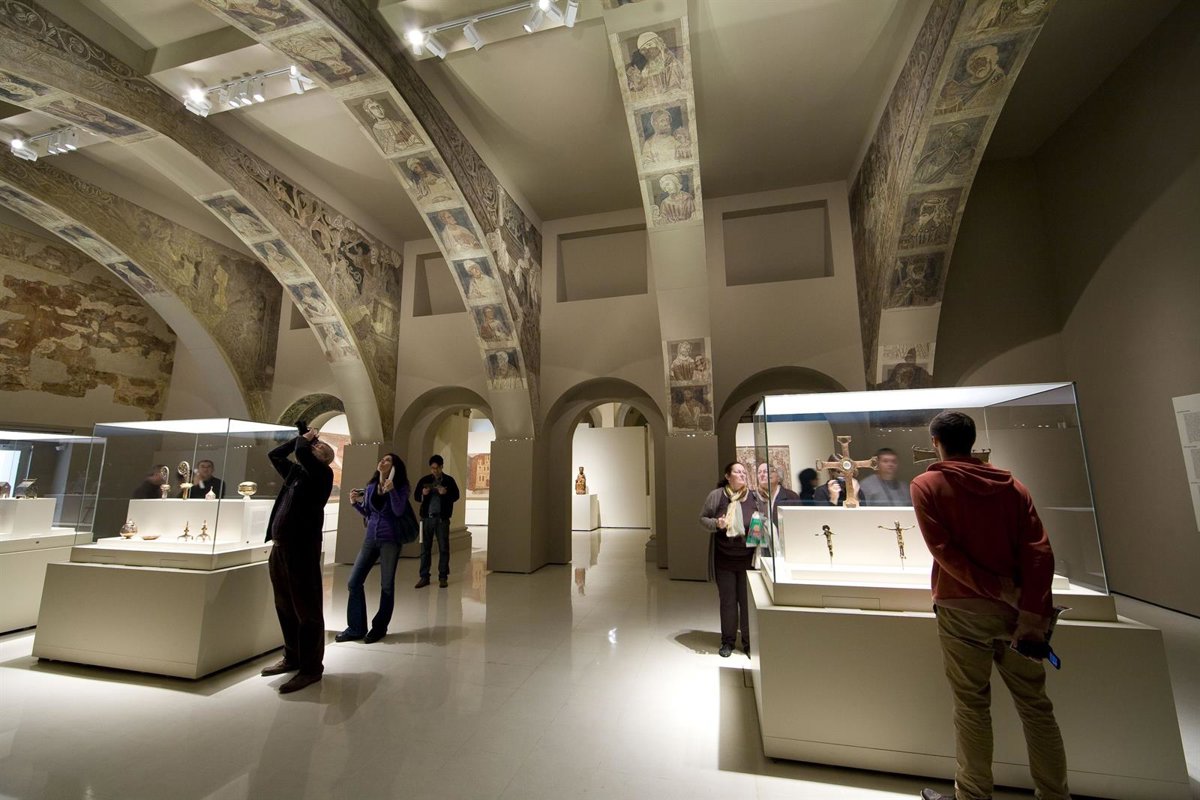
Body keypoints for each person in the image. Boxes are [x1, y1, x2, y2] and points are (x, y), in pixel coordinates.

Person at [911, 411, 1068, 800]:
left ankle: (972, 795)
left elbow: (944, 552)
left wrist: (993, 589)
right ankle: (1054, 795)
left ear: (935, 443)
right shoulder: (1013, 487)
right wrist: (1030, 606)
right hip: (1018, 614)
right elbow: (1039, 551)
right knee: (1035, 706)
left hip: (961, 610)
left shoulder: (926, 485)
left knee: (971, 706)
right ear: (972, 441)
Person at [260, 427, 335, 694]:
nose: (315, 447)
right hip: (280, 548)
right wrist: (298, 440)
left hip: (302, 550)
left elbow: (303, 454)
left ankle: (311, 668)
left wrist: (305, 440)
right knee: (285, 605)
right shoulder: (297, 474)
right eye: (315, 445)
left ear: (326, 459)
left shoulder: (322, 474)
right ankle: (292, 656)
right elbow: (275, 455)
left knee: (307, 609)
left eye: (320, 448)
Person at [337, 453, 413, 644]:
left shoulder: (401, 487)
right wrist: (354, 503)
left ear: (395, 467)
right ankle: (356, 628)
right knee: (354, 582)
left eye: (388, 460)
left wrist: (392, 490)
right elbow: (368, 512)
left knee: (386, 585)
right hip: (370, 539)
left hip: (390, 540)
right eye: (382, 459)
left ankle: (379, 627)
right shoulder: (371, 486)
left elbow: (398, 511)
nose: (382, 461)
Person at [699, 462, 764, 658]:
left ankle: (749, 642)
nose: (742, 474)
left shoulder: (754, 497)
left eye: (744, 472)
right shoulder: (717, 496)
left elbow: (761, 521)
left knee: (746, 602)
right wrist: (717, 524)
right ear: (728, 476)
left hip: (748, 559)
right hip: (724, 558)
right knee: (728, 602)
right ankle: (727, 641)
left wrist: (758, 529)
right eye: (738, 471)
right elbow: (703, 519)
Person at [413, 455, 460, 589]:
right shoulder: (425, 480)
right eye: (432, 468)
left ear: (441, 467)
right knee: (425, 549)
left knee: (443, 548)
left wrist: (445, 493)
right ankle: (424, 576)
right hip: (426, 518)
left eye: (437, 468)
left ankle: (443, 577)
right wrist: (423, 493)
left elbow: (456, 496)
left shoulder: (449, 480)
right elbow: (416, 496)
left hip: (442, 519)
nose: (434, 471)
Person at [756, 462, 799, 529]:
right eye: (759, 472)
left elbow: (798, 522)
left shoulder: (791, 497)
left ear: (778, 477)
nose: (762, 474)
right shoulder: (753, 496)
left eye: (766, 471)